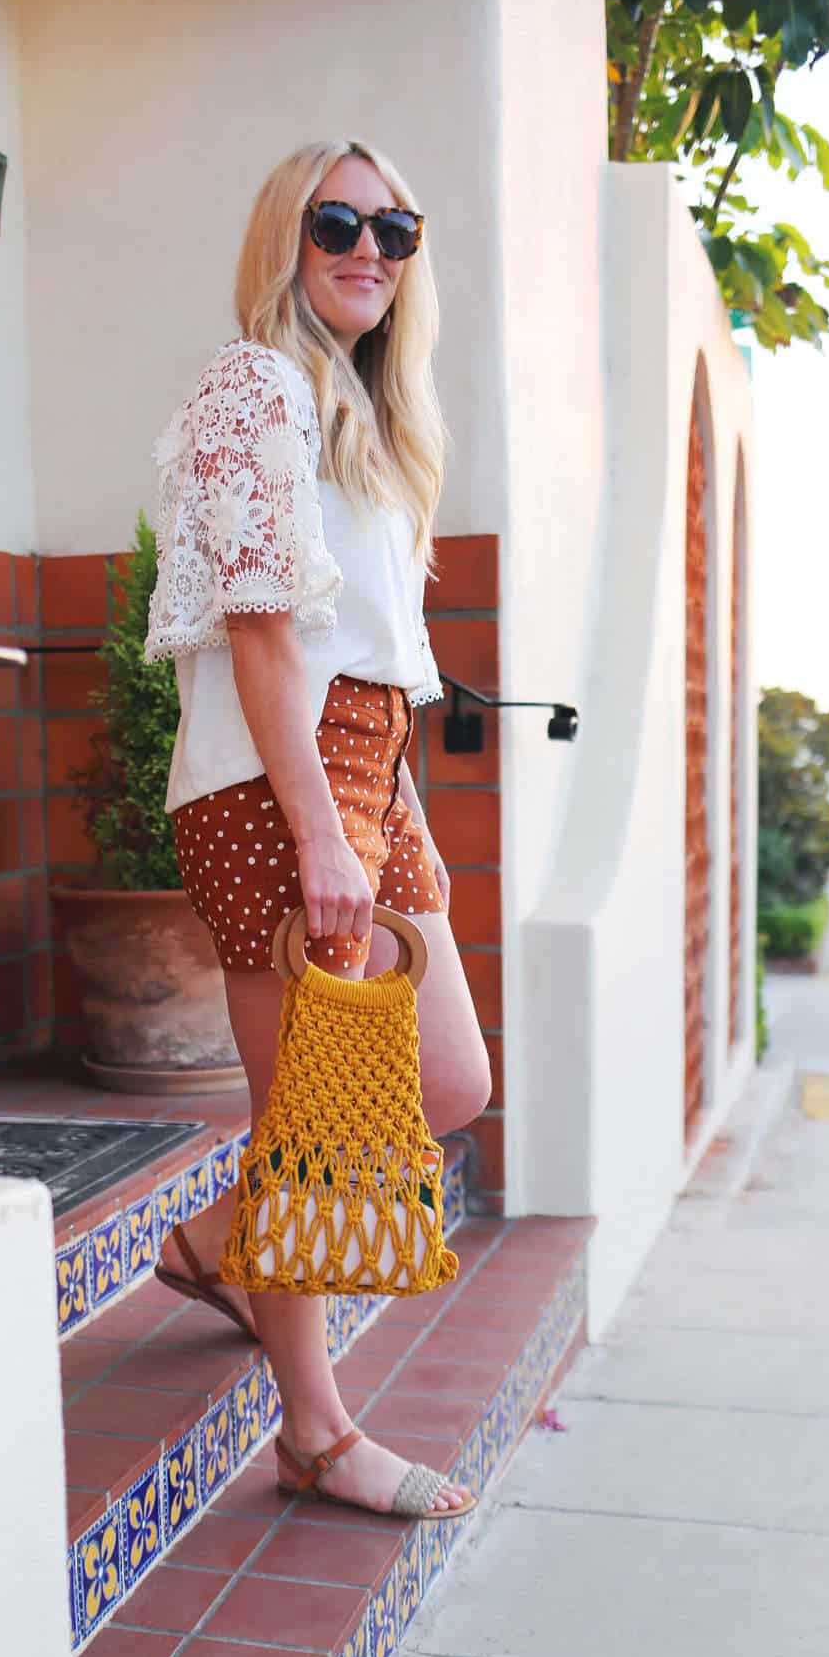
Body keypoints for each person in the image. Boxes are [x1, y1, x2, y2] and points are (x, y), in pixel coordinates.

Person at [145, 138, 491, 1518]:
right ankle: (316, 1432)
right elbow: (265, 638)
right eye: (337, 222)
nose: (367, 248)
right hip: (273, 776)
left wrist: (400, 815)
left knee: (449, 1083)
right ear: (284, 238)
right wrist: (324, 833)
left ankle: (225, 1243)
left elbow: (378, 661)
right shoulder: (253, 384)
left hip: (369, 768)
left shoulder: (363, 410)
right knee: (311, 1128)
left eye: (393, 227)